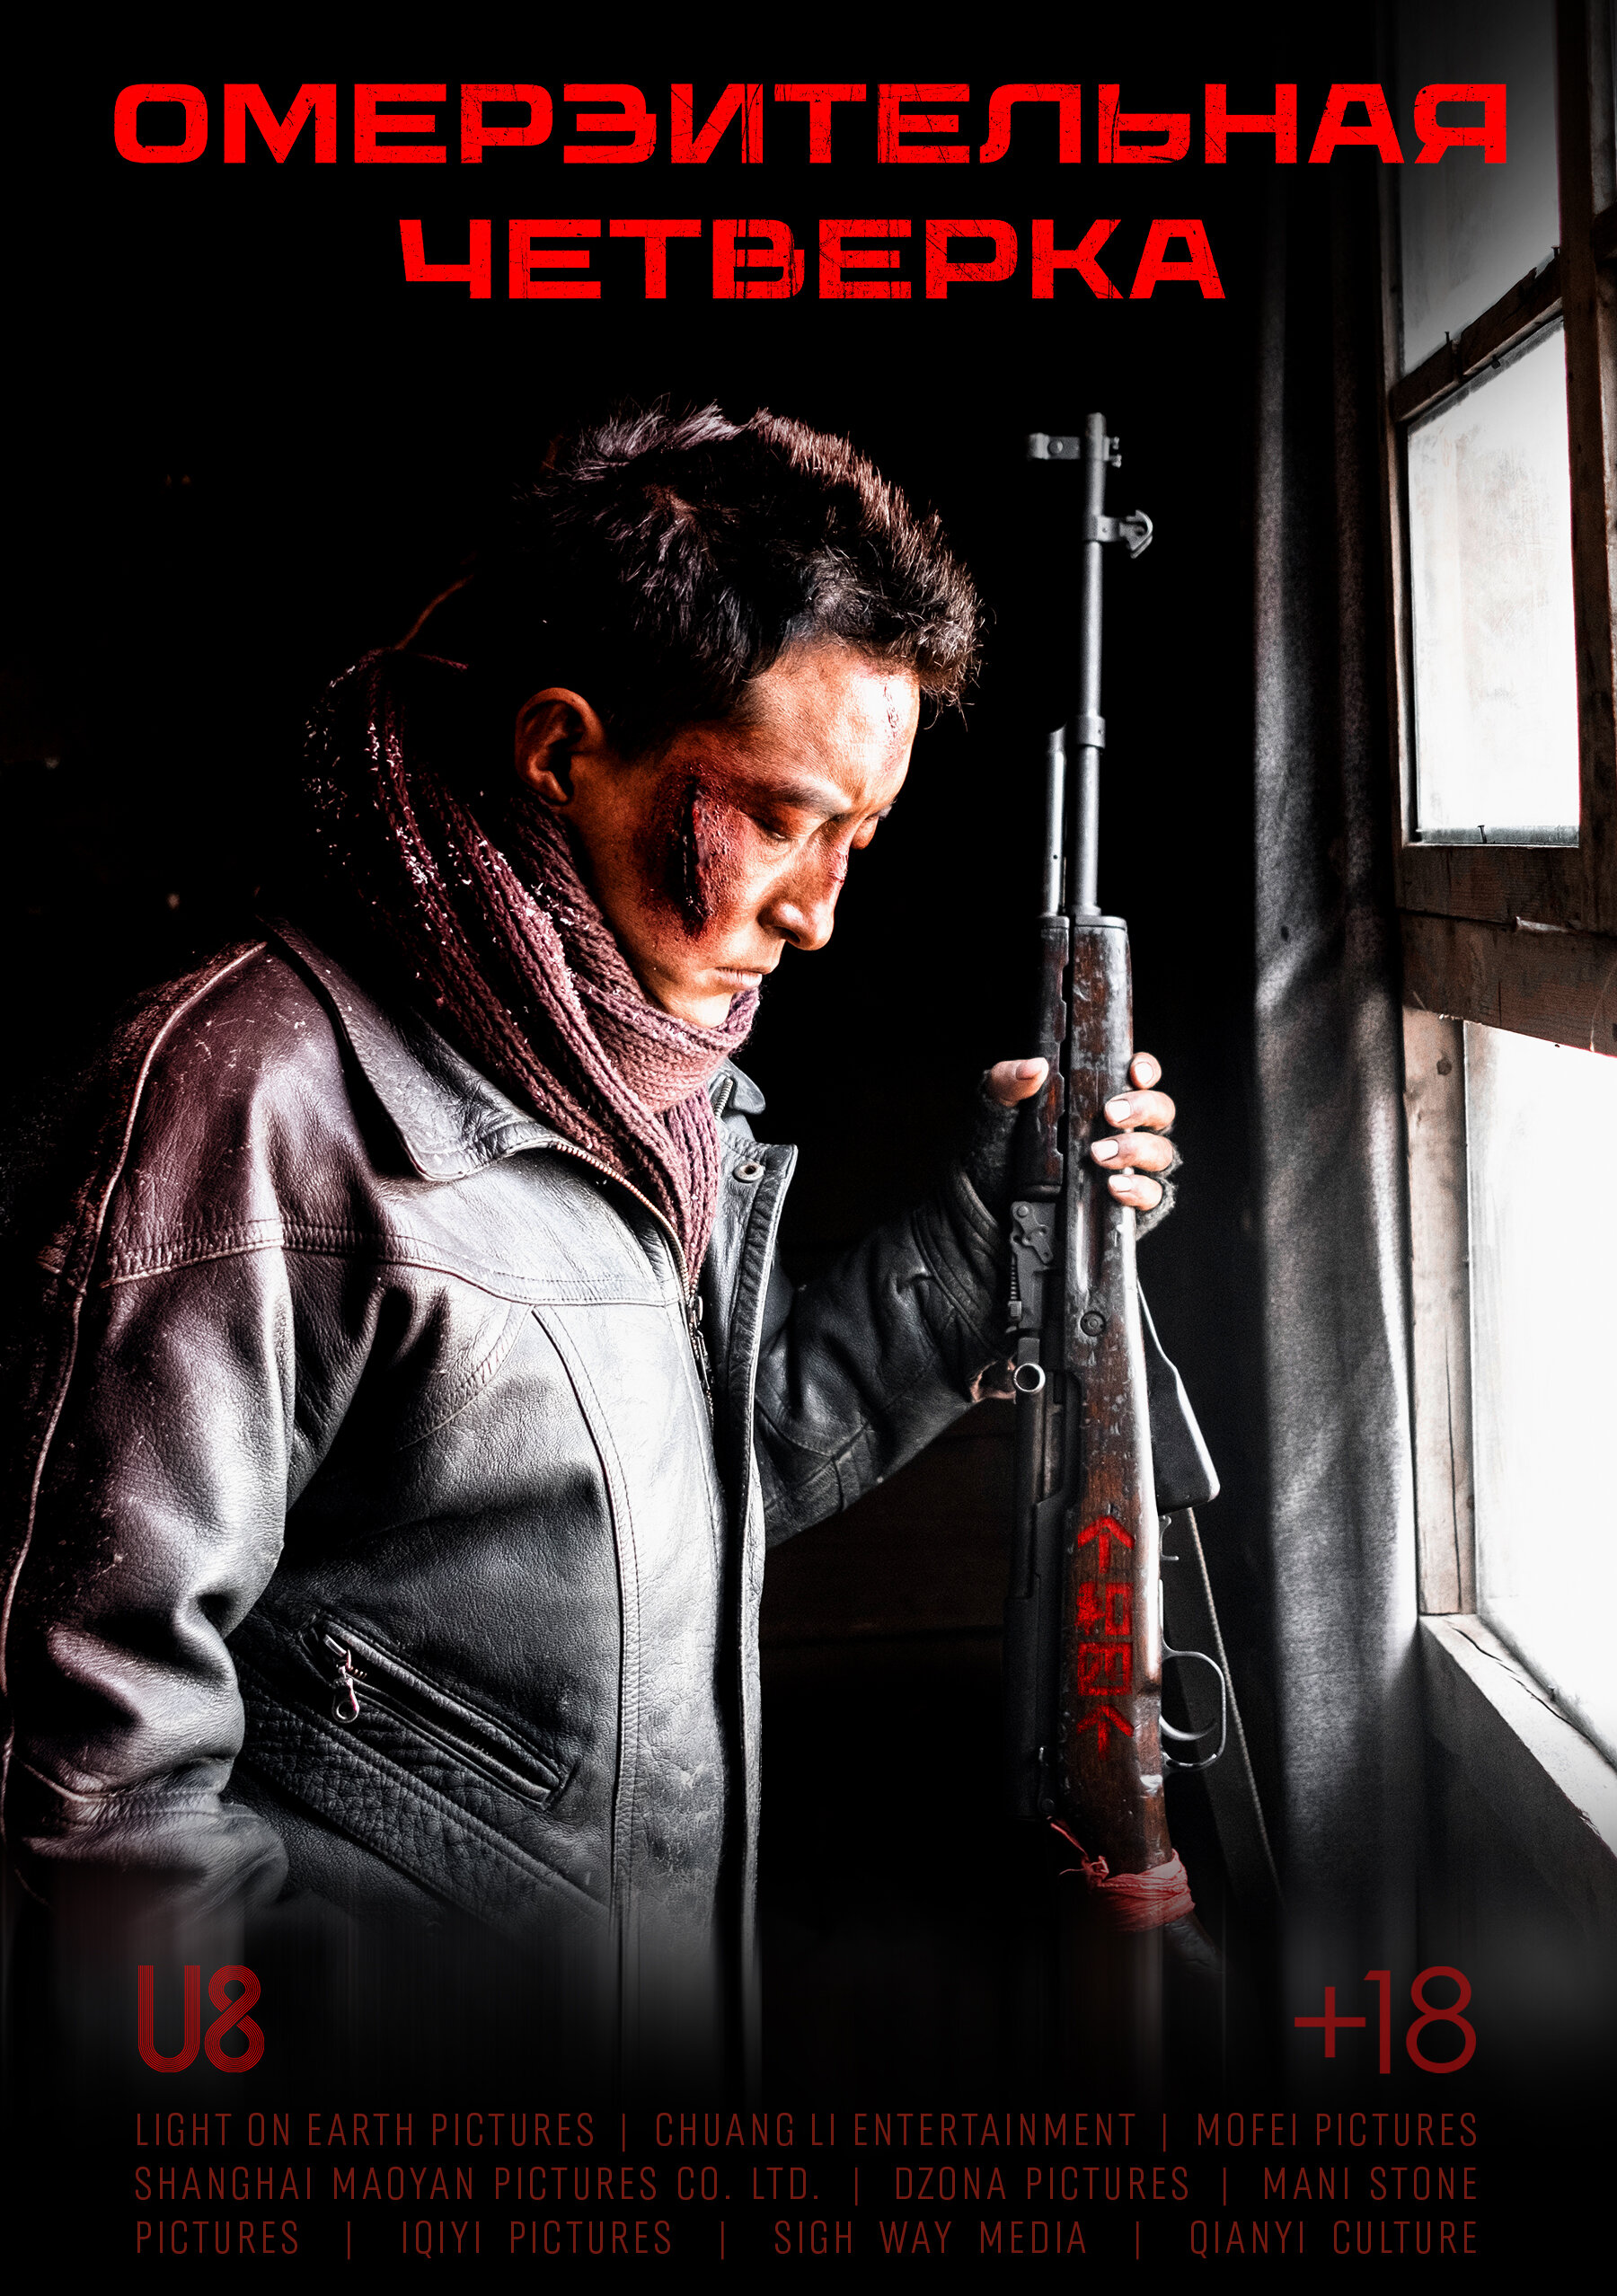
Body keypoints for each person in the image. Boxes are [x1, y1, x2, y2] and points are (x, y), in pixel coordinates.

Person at [1, 404, 1176, 2000]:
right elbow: (99, 1800)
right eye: (778, 819)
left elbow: (670, 1494)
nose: (820, 914)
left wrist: (978, 1252)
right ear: (561, 752)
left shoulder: (645, 1087)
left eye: (861, 835)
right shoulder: (243, 1109)